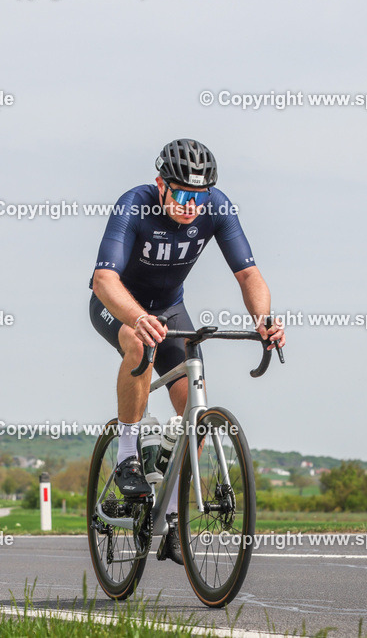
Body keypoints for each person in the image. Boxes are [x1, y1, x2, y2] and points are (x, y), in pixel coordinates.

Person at [89, 138, 285, 564]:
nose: (190, 205)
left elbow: (249, 274)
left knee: (193, 409)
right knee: (140, 343)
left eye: (198, 197)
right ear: (161, 185)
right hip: (120, 304)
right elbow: (103, 280)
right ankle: (126, 454)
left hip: (171, 309)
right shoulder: (134, 205)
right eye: (180, 195)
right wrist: (136, 316)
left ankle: (174, 520)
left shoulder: (216, 206)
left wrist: (264, 319)